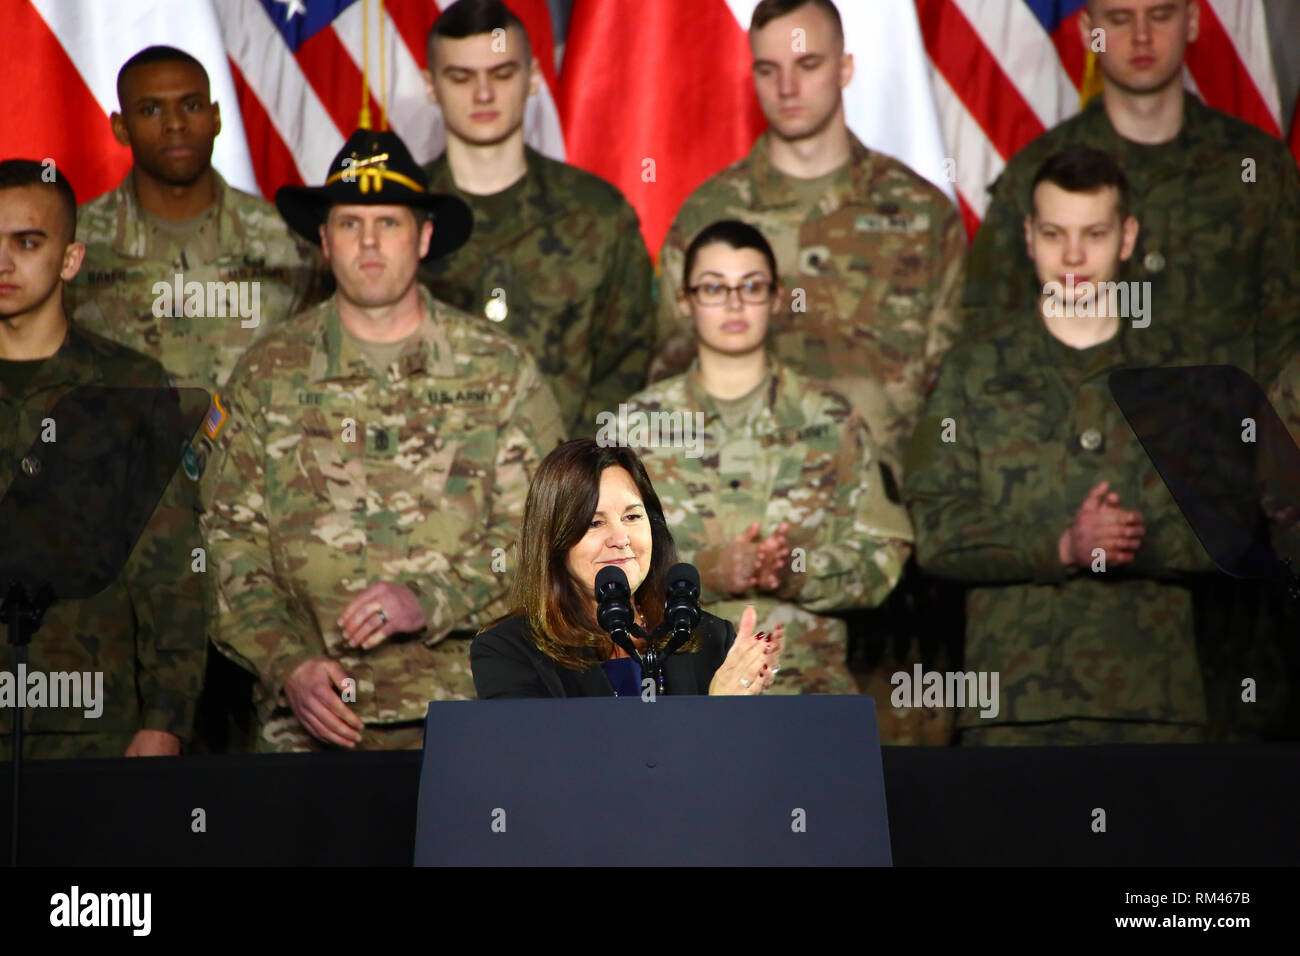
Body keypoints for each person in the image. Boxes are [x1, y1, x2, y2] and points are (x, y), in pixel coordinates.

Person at [200, 128, 565, 751]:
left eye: (389, 223)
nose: (369, 243)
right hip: (305, 721)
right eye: (350, 223)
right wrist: (286, 663)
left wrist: (433, 599)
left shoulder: (499, 371)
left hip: (466, 716)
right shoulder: (266, 373)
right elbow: (226, 543)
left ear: (423, 237)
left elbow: (547, 535)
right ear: (323, 239)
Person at [905, 147, 1215, 745]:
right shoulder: (975, 366)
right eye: (1054, 234)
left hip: (1154, 707)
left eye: (1093, 234)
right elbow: (936, 531)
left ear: (1126, 237)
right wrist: (1062, 544)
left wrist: (1131, 539)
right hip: (1013, 709)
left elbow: (1233, 524)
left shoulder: (1178, 367)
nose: (1073, 257)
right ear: (1027, 236)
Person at [651, 0, 965, 466]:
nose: (787, 88)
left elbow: (955, 383)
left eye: (808, 64)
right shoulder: (708, 215)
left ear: (845, 68)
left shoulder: (922, 213)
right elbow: (671, 375)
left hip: (888, 500)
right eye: (767, 69)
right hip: (742, 501)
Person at [622, 220, 912, 696]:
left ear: (777, 298)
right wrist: (709, 570)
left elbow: (885, 556)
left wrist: (796, 571)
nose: (734, 304)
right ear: (684, 300)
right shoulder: (632, 427)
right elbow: (599, 567)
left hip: (807, 691)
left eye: (751, 287)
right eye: (715, 287)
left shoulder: (834, 420)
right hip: (677, 693)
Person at [963, 0, 1300, 389]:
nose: (1141, 37)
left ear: (1191, 22)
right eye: (1119, 19)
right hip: (1075, 438)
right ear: (1091, 32)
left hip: (1223, 437)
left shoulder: (1258, 168)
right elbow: (987, 336)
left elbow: (1288, 335)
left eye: (1160, 16)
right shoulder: (1037, 174)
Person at [0, 158, 206, 758]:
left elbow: (171, 568)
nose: (4, 262)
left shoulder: (128, 388)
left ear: (70, 259)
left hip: (93, 724)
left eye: (27, 241)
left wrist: (167, 716)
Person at [419, 0, 653, 435]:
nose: (483, 94)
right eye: (461, 77)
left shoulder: (598, 214)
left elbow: (630, 362)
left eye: (503, 73)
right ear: (431, 85)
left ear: (534, 77)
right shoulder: (398, 218)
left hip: (567, 486)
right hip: (425, 485)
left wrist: (581, 474)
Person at [64, 45, 323, 402]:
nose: (175, 124)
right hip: (117, 454)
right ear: (122, 127)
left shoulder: (292, 241)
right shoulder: (72, 243)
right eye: (150, 110)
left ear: (216, 117)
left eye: (192, 105)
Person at [472, 439, 783, 698]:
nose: (620, 539)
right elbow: (548, 763)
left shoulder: (708, 637)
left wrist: (742, 707)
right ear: (555, 540)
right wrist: (713, 711)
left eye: (633, 517)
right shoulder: (506, 651)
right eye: (595, 523)